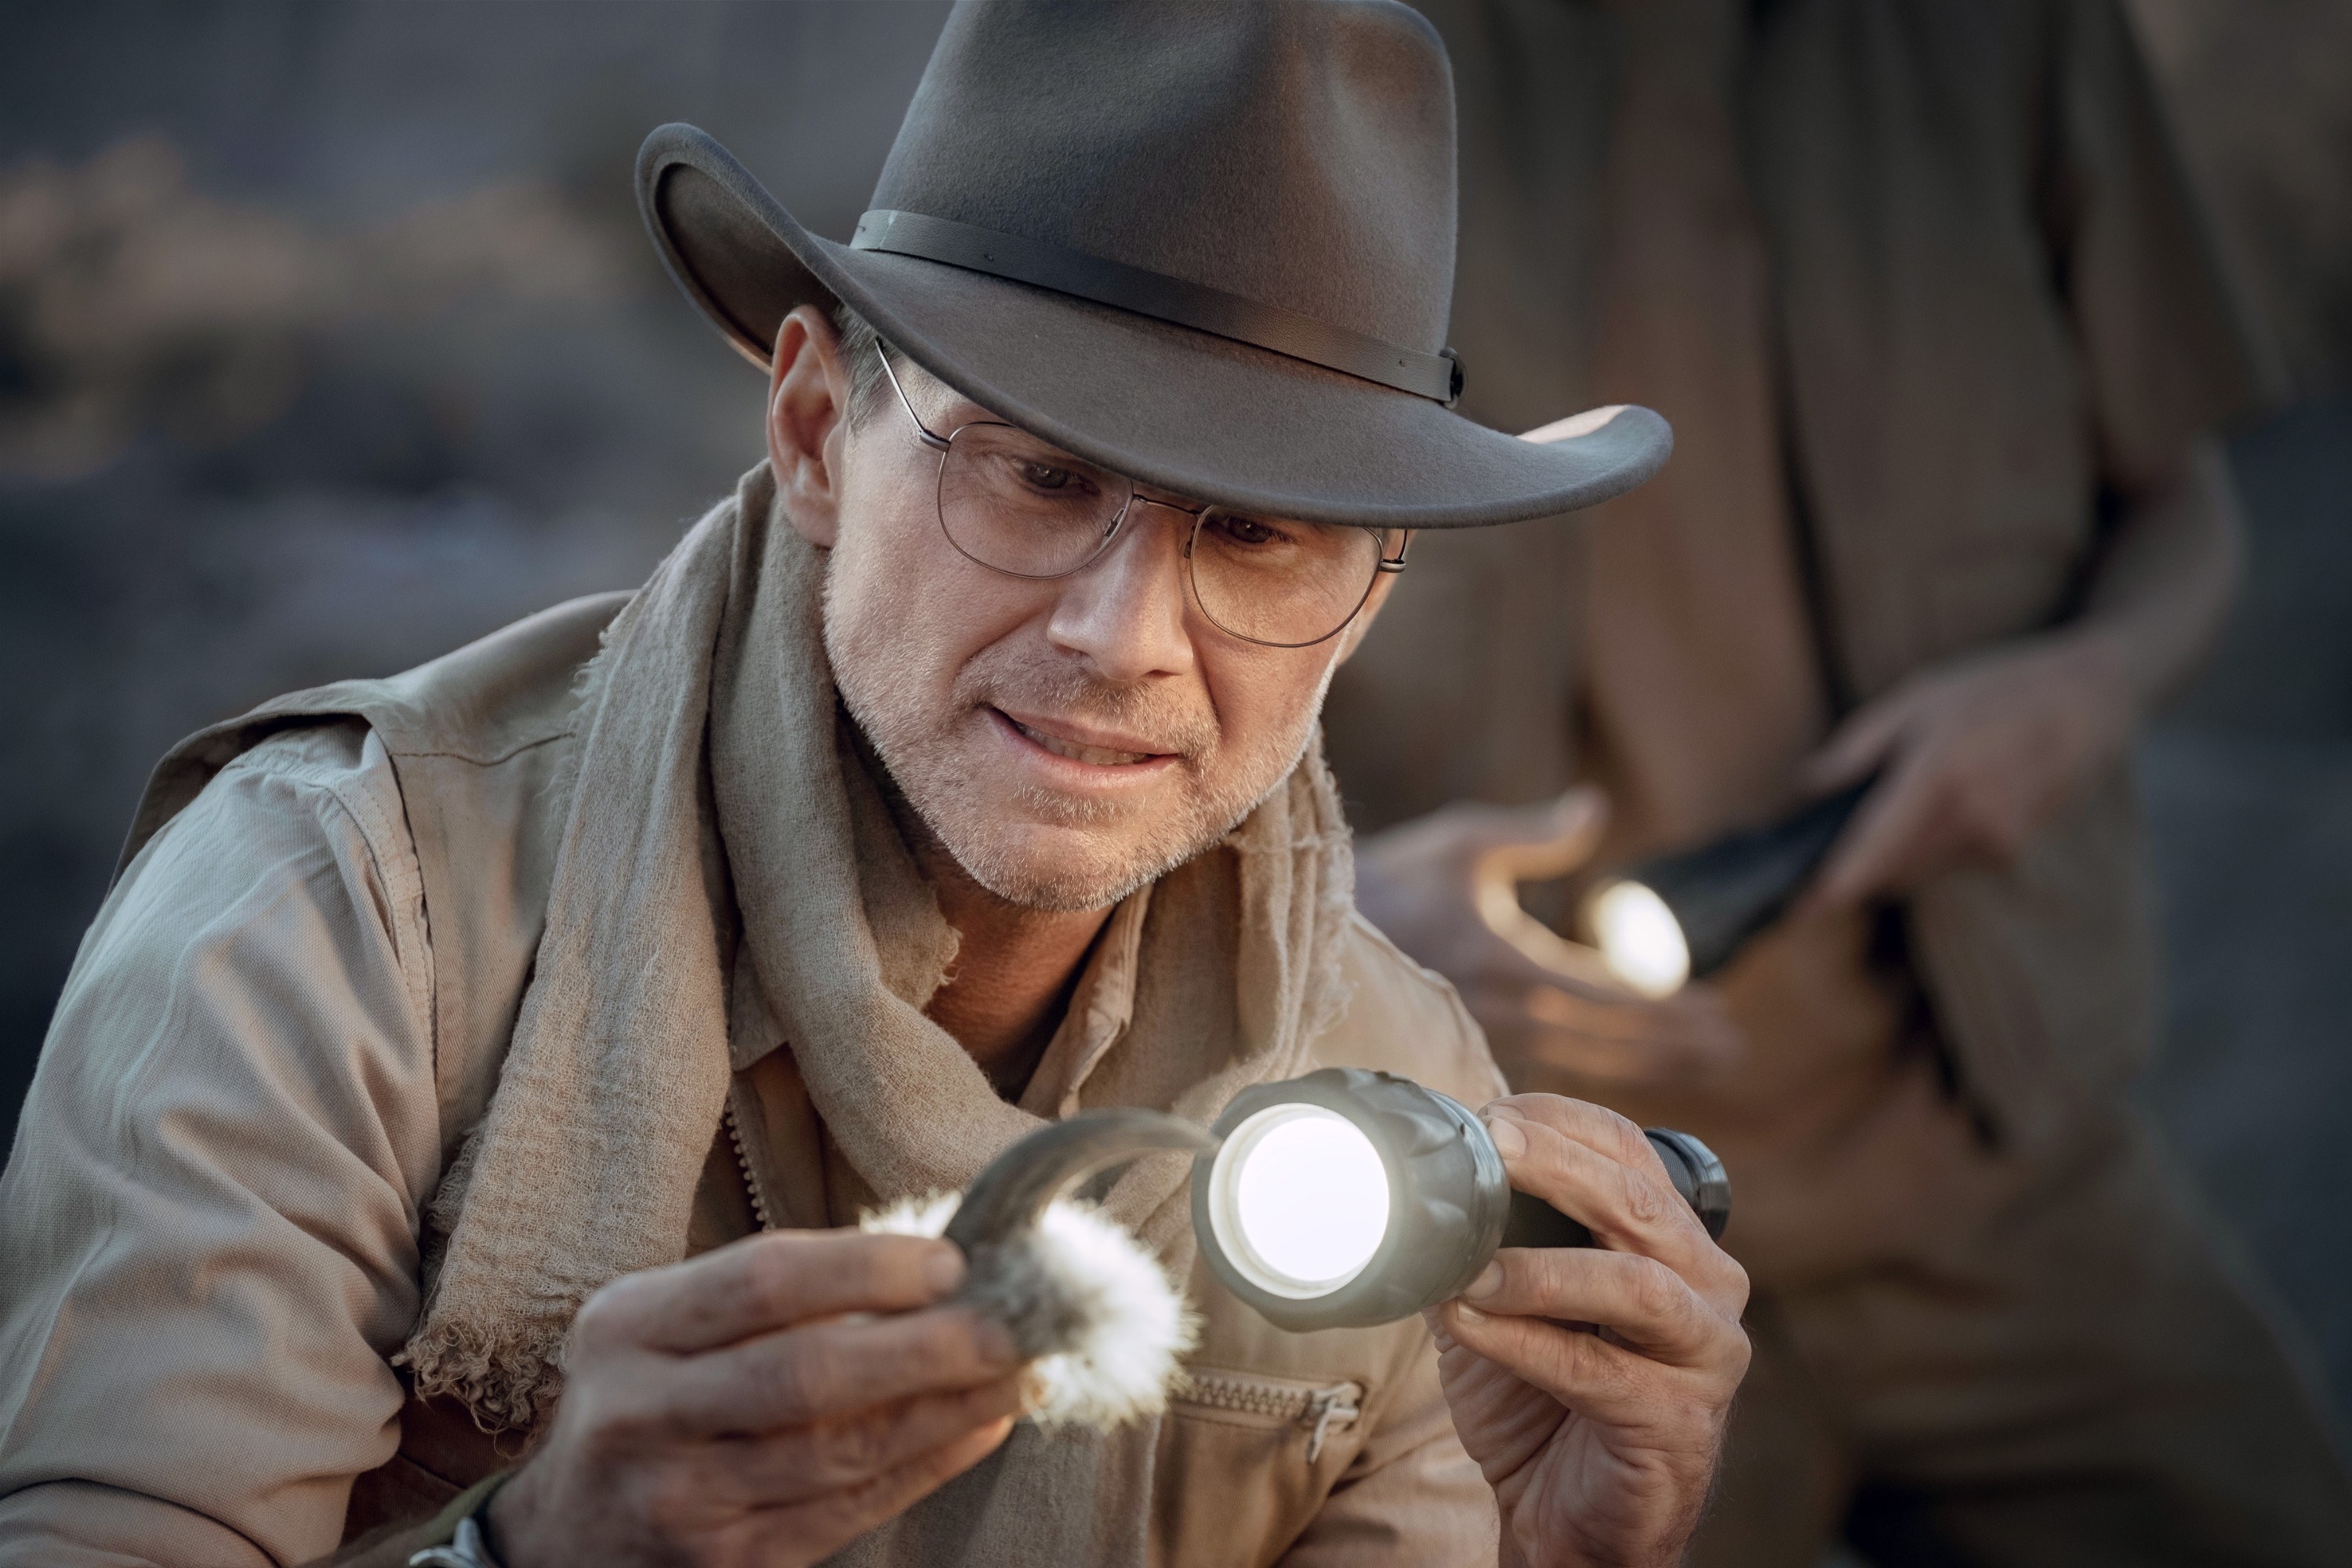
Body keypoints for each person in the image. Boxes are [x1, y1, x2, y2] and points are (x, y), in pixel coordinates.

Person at [0, 5, 1751, 1567]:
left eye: (1255, 531)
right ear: (821, 431)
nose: (1123, 633)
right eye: (1043, 476)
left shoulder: (1404, 1092)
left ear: (1366, 594)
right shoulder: (334, 913)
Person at [1325, 1, 2352, 1564]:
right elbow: (1121, 595)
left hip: (1997, 1172)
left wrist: (2089, 685)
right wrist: (1345, 911)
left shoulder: (2008, 41)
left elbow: (2183, 506)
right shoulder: (1329, 52)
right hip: (1525, 1242)